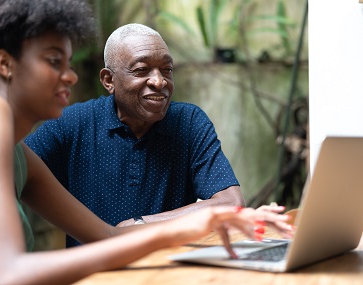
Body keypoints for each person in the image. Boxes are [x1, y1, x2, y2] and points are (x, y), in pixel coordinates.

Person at [0, 0, 293, 285]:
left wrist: (205, 220)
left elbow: (107, 237)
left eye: (69, 63)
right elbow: (8, 274)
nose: (71, 76)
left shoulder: (19, 155)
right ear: (4, 63)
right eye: (53, 61)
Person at [25, 23, 247, 246]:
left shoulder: (188, 123)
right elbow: (16, 172)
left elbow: (230, 203)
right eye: (141, 70)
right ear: (108, 81)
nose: (159, 81)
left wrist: (138, 225)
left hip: (169, 269)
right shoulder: (73, 124)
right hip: (95, 272)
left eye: (167, 70)